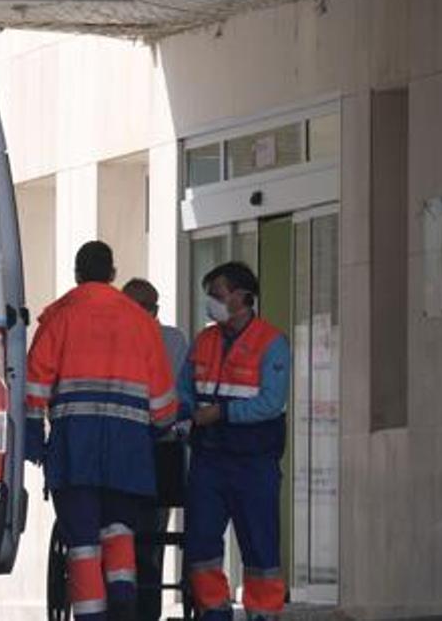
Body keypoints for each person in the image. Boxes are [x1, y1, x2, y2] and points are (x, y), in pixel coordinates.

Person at [25, 242, 177, 620]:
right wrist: (160, 428)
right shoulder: (141, 322)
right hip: (128, 451)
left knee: (83, 543)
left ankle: (92, 614)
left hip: (75, 449)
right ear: (112, 274)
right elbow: (163, 400)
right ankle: (123, 598)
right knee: (119, 530)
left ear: (77, 274)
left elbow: (35, 385)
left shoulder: (59, 317)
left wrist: (32, 434)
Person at [179, 261, 289, 621]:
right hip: (209, 459)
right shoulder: (204, 341)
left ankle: (263, 614)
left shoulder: (271, 342)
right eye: (209, 295)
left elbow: (271, 403)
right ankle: (214, 612)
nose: (211, 302)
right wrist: (182, 414)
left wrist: (222, 414)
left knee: (260, 546)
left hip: (253, 459)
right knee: (201, 545)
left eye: (218, 295)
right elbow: (184, 392)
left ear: (243, 297)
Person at [120, 278, 188, 621]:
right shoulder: (112, 339)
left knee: (148, 539)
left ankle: (145, 611)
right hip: (120, 445)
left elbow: (170, 394)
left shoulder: (171, 341)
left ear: (154, 311)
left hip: (157, 447)